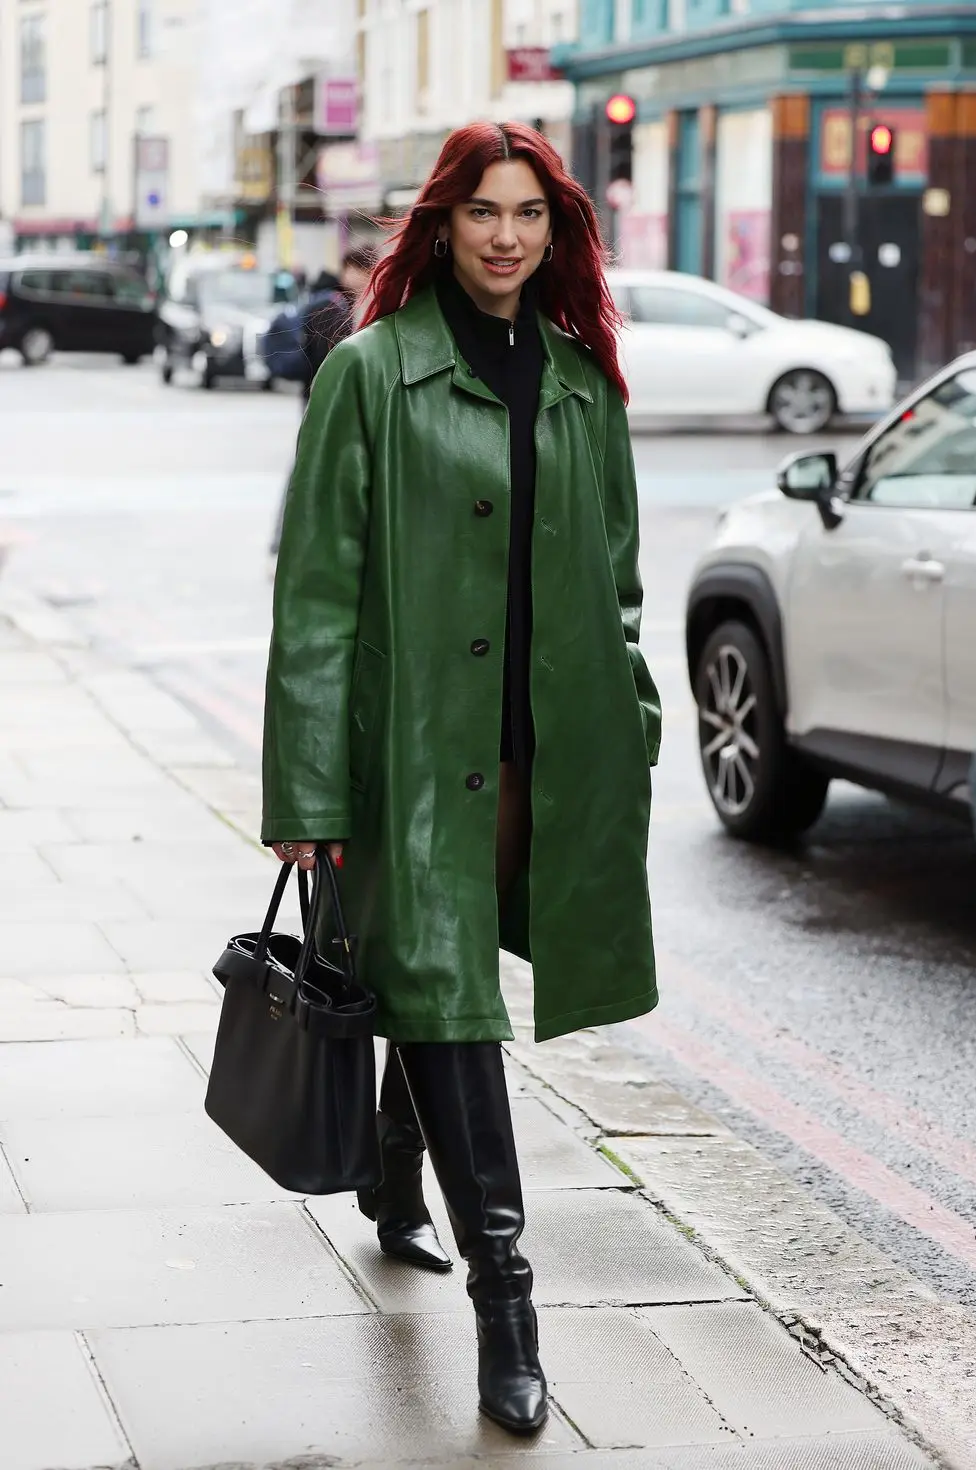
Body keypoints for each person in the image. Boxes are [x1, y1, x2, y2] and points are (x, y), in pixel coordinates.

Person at [263, 122, 661, 1435]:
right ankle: (508, 1301)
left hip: (546, 762)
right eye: (484, 211)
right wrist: (309, 799)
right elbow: (315, 598)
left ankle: (391, 1172)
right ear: (441, 225)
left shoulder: (581, 383)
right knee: (448, 991)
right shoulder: (369, 376)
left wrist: (636, 723)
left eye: (530, 215)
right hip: (413, 760)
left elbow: (617, 586)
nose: (507, 236)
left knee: (441, 983)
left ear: (557, 231)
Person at [268, 247, 378, 559]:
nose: (363, 275)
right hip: (320, 404)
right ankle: (283, 545)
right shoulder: (327, 306)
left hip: (353, 407)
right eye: (358, 268)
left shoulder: (367, 304)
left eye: (367, 269)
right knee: (307, 473)